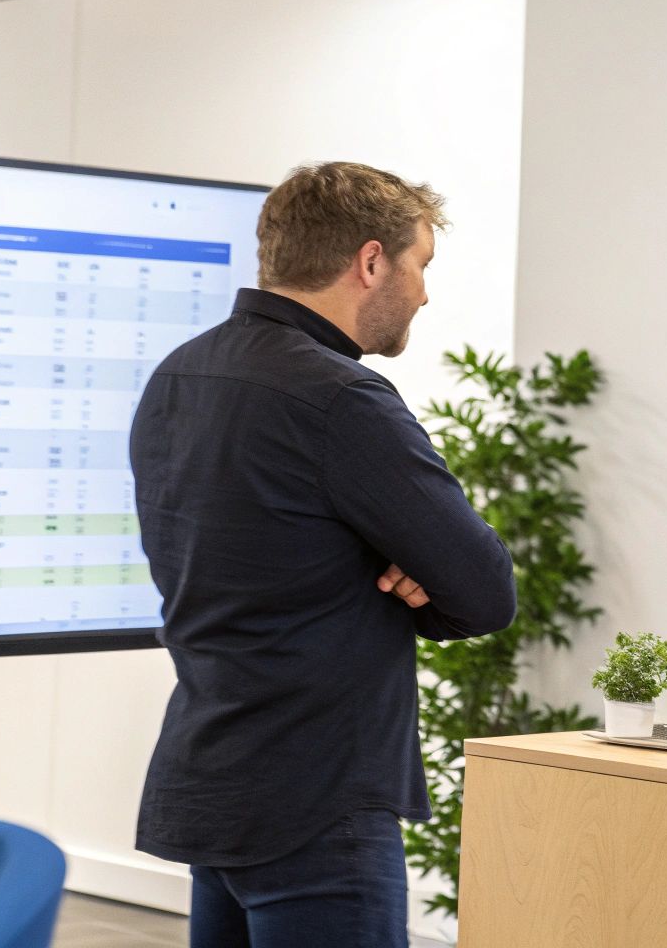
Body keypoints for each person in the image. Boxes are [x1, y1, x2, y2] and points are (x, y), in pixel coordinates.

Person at [128, 162, 517, 947]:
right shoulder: (340, 398)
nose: (425, 294)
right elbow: (483, 591)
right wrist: (418, 578)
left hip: (216, 780)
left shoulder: (180, 375)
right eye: (421, 267)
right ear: (371, 262)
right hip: (318, 801)